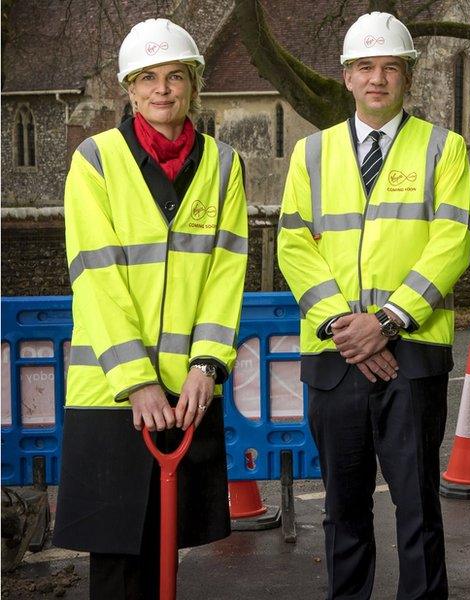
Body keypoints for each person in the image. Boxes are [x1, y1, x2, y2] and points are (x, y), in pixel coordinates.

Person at [276, 11, 470, 600]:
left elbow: (453, 239)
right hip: (337, 357)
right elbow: (293, 244)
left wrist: (387, 322)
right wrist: (345, 326)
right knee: (343, 509)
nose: (377, 79)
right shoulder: (309, 155)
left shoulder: (445, 149)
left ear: (408, 76)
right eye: (365, 67)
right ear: (346, 76)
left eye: (390, 67)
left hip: (410, 355)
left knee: (417, 509)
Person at [52, 17, 248, 599]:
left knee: (166, 560)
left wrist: (207, 366)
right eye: (148, 79)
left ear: (193, 85)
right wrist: (137, 381)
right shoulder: (96, 161)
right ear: (130, 90)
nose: (162, 90)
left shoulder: (222, 166)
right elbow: (96, 275)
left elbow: (225, 273)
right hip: (113, 394)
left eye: (175, 77)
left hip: (187, 392)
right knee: (117, 568)